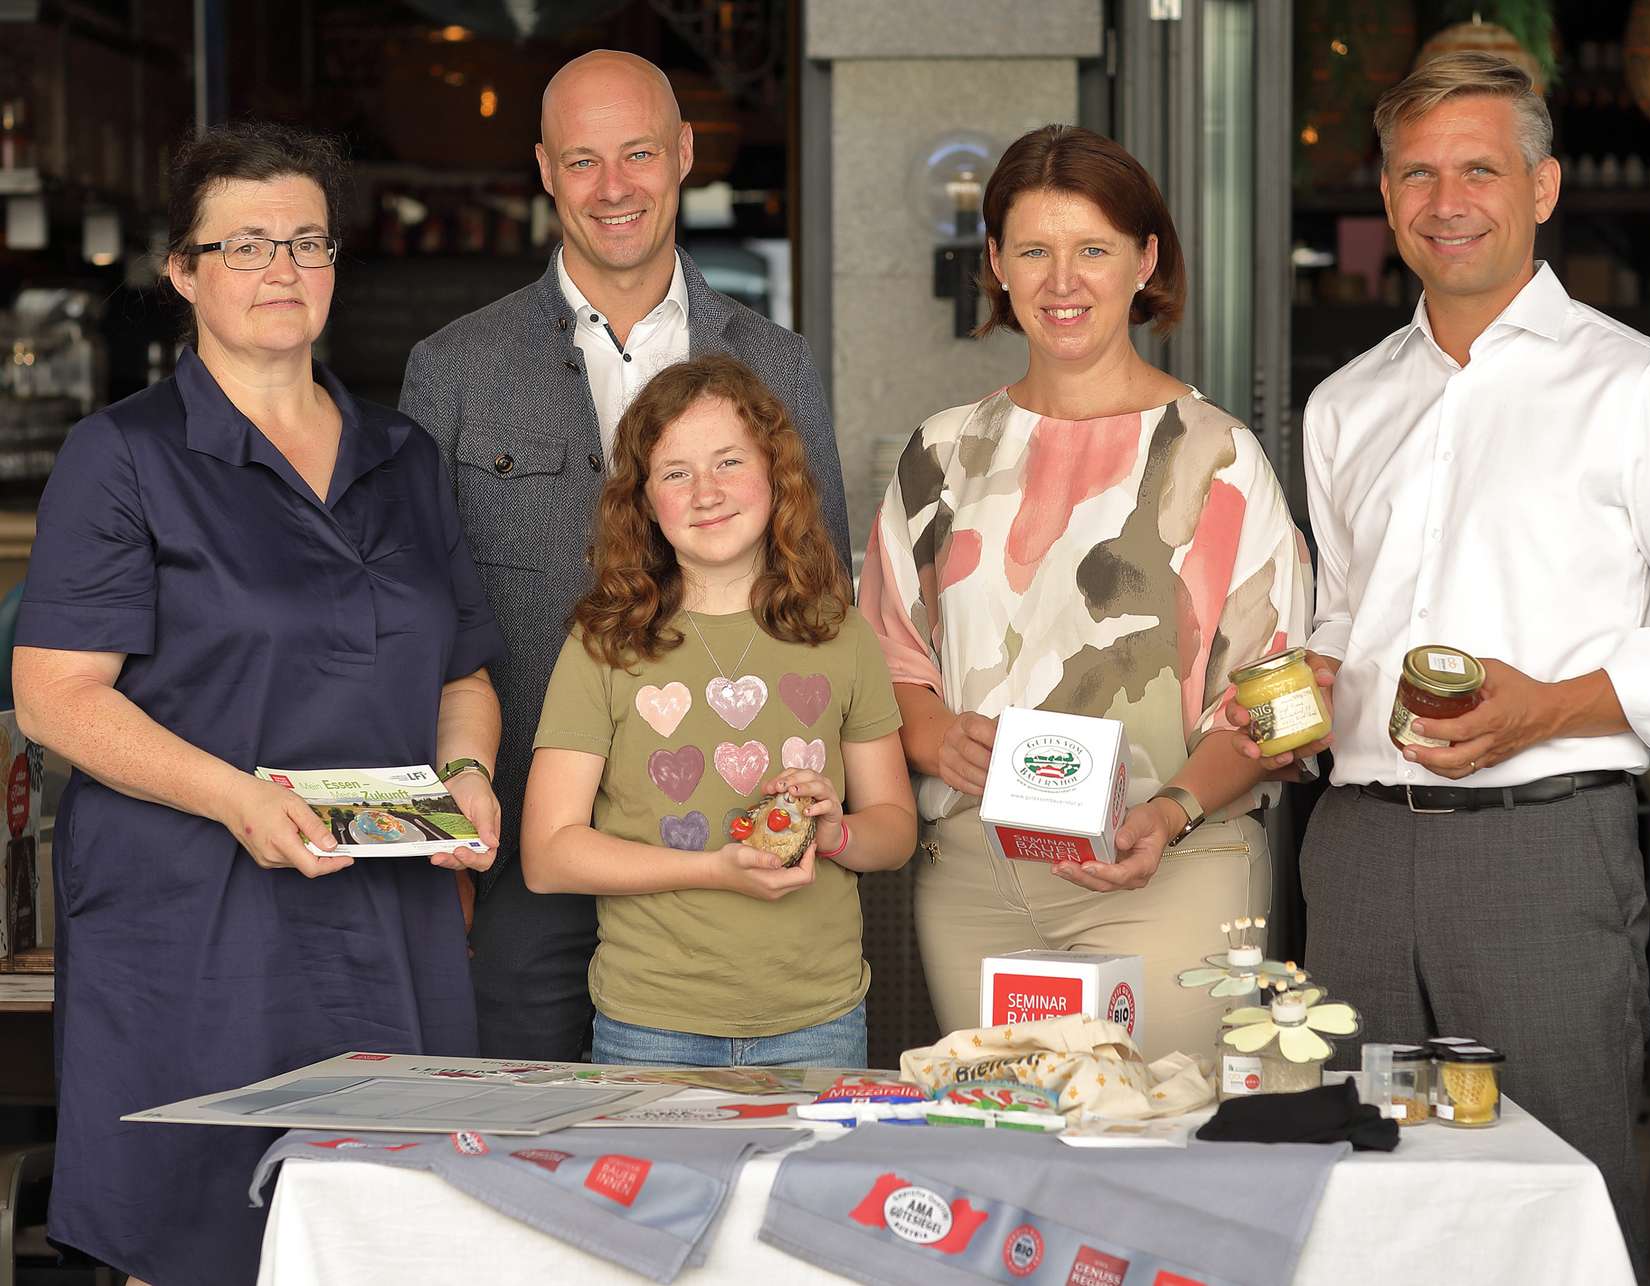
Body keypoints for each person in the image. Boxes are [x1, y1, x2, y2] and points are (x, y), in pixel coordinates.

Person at [1294, 52, 1650, 1272]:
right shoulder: (1345, 403)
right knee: (1360, 1200)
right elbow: (1344, 619)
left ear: (1544, 187)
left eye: (1479, 169)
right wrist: (1299, 689)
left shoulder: (1640, 388)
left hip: (1542, 851)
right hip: (1356, 859)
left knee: (1557, 1201)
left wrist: (1551, 706)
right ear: (1387, 197)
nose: (1446, 200)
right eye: (1417, 174)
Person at [10, 121, 502, 1286]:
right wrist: (237, 798)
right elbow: (55, 696)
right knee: (198, 1241)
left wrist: (470, 775)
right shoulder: (124, 455)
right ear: (183, 272)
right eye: (245, 244)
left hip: (386, 912)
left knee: (392, 1230)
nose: (282, 267)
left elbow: (463, 672)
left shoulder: (403, 454)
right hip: (196, 925)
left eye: (306, 240)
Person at [401, 50, 851, 1062]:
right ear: (545, 171)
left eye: (638, 153)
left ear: (684, 153)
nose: (614, 187)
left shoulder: (775, 362)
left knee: (725, 1137)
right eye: (583, 160)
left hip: (726, 849)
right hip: (524, 849)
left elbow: (823, 589)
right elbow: (420, 618)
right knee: (526, 1131)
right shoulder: (453, 370)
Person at [859, 125, 1313, 1062]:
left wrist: (1169, 812)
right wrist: (936, 736)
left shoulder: (1219, 457)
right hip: (977, 883)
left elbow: (1276, 702)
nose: (1062, 281)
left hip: (1170, 871)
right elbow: (884, 660)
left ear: (1145, 260)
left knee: (1158, 1134)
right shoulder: (939, 454)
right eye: (1034, 251)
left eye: (1093, 251)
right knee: (1004, 1137)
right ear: (996, 263)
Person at [520, 355, 914, 1067]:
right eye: (675, 473)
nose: (706, 493)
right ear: (644, 501)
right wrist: (714, 870)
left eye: (729, 462)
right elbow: (548, 855)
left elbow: (895, 832)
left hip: (818, 1019)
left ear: (776, 473)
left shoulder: (841, 633)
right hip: (650, 1022)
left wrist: (835, 833)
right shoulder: (604, 642)